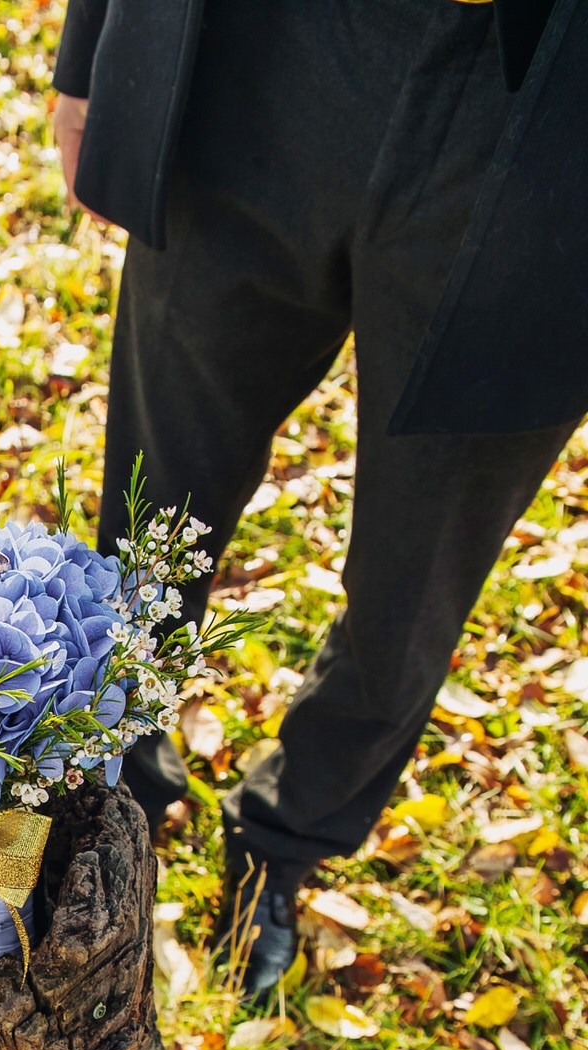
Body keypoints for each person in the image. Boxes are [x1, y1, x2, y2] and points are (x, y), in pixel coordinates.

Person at [52, 0, 587, 999]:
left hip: (547, 124)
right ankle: (111, 779)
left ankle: (285, 845)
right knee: (157, 496)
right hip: (263, 55)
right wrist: (93, 48)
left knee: (413, 583)